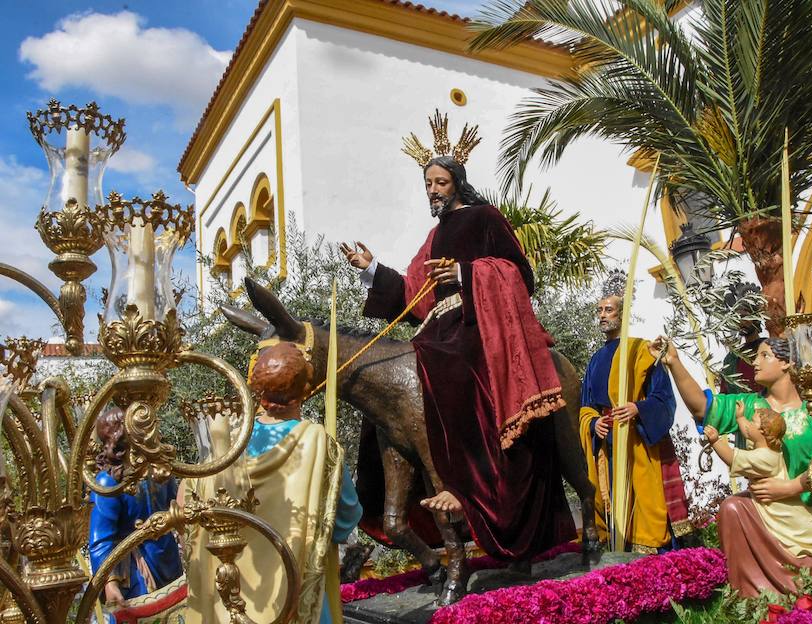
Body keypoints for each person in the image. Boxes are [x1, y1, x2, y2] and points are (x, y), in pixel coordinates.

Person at [340, 110, 574, 562]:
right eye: (428, 183)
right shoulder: (434, 236)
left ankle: (467, 484)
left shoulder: (485, 218)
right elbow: (412, 293)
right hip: (438, 327)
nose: (433, 190)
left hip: (479, 323)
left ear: (457, 183)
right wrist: (371, 269)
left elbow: (519, 273)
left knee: (452, 365)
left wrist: (465, 273)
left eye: (440, 182)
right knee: (391, 384)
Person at [652, 336, 812, 597]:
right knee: (732, 508)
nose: (754, 362)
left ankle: (807, 577)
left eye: (764, 356)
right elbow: (702, 408)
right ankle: (751, 596)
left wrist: (788, 488)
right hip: (763, 507)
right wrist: (674, 362)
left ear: (786, 363)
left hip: (806, 512)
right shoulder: (750, 406)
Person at [185, 342, 362, 624]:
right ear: (306, 390)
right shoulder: (318, 444)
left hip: (232, 592)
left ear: (258, 390)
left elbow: (193, 505)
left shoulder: (227, 442)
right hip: (295, 590)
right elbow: (347, 514)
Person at [578, 270, 690, 553]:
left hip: (638, 445)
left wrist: (637, 408)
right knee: (614, 509)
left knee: (644, 506)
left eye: (608, 310)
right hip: (609, 451)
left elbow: (664, 398)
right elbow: (586, 406)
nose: (602, 315)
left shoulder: (642, 350)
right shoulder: (595, 361)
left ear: (623, 313)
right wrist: (593, 424)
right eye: (599, 310)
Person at [704, 406, 812, 560]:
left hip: (782, 511)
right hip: (771, 505)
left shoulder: (764, 458)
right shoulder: (762, 446)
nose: (748, 425)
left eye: (752, 422)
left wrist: (715, 441)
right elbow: (748, 431)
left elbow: (731, 458)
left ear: (762, 432)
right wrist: (740, 418)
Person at [88, 408, 183, 610]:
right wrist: (109, 583)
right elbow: (101, 539)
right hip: (135, 569)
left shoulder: (160, 470)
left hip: (169, 559)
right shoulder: (108, 482)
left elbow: (176, 507)